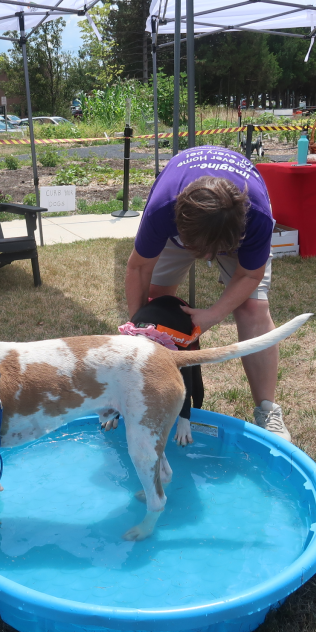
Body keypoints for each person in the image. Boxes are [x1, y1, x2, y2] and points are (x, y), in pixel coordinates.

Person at [125, 146, 290, 442]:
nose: (205, 258)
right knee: (158, 303)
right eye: (197, 250)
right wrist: (139, 326)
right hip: (184, 221)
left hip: (234, 227)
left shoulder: (257, 217)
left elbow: (250, 275)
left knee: (253, 308)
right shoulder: (163, 209)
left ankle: (267, 410)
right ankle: (152, 392)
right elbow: (139, 268)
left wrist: (214, 314)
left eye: (211, 253)